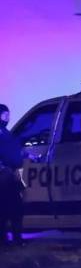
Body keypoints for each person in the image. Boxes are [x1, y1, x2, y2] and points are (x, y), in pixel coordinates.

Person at [0, 104, 27, 246]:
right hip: (4, 177)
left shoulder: (6, 133)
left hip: (12, 175)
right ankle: (7, 239)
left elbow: (14, 151)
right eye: (5, 115)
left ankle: (14, 238)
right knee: (7, 208)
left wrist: (28, 156)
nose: (8, 118)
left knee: (14, 207)